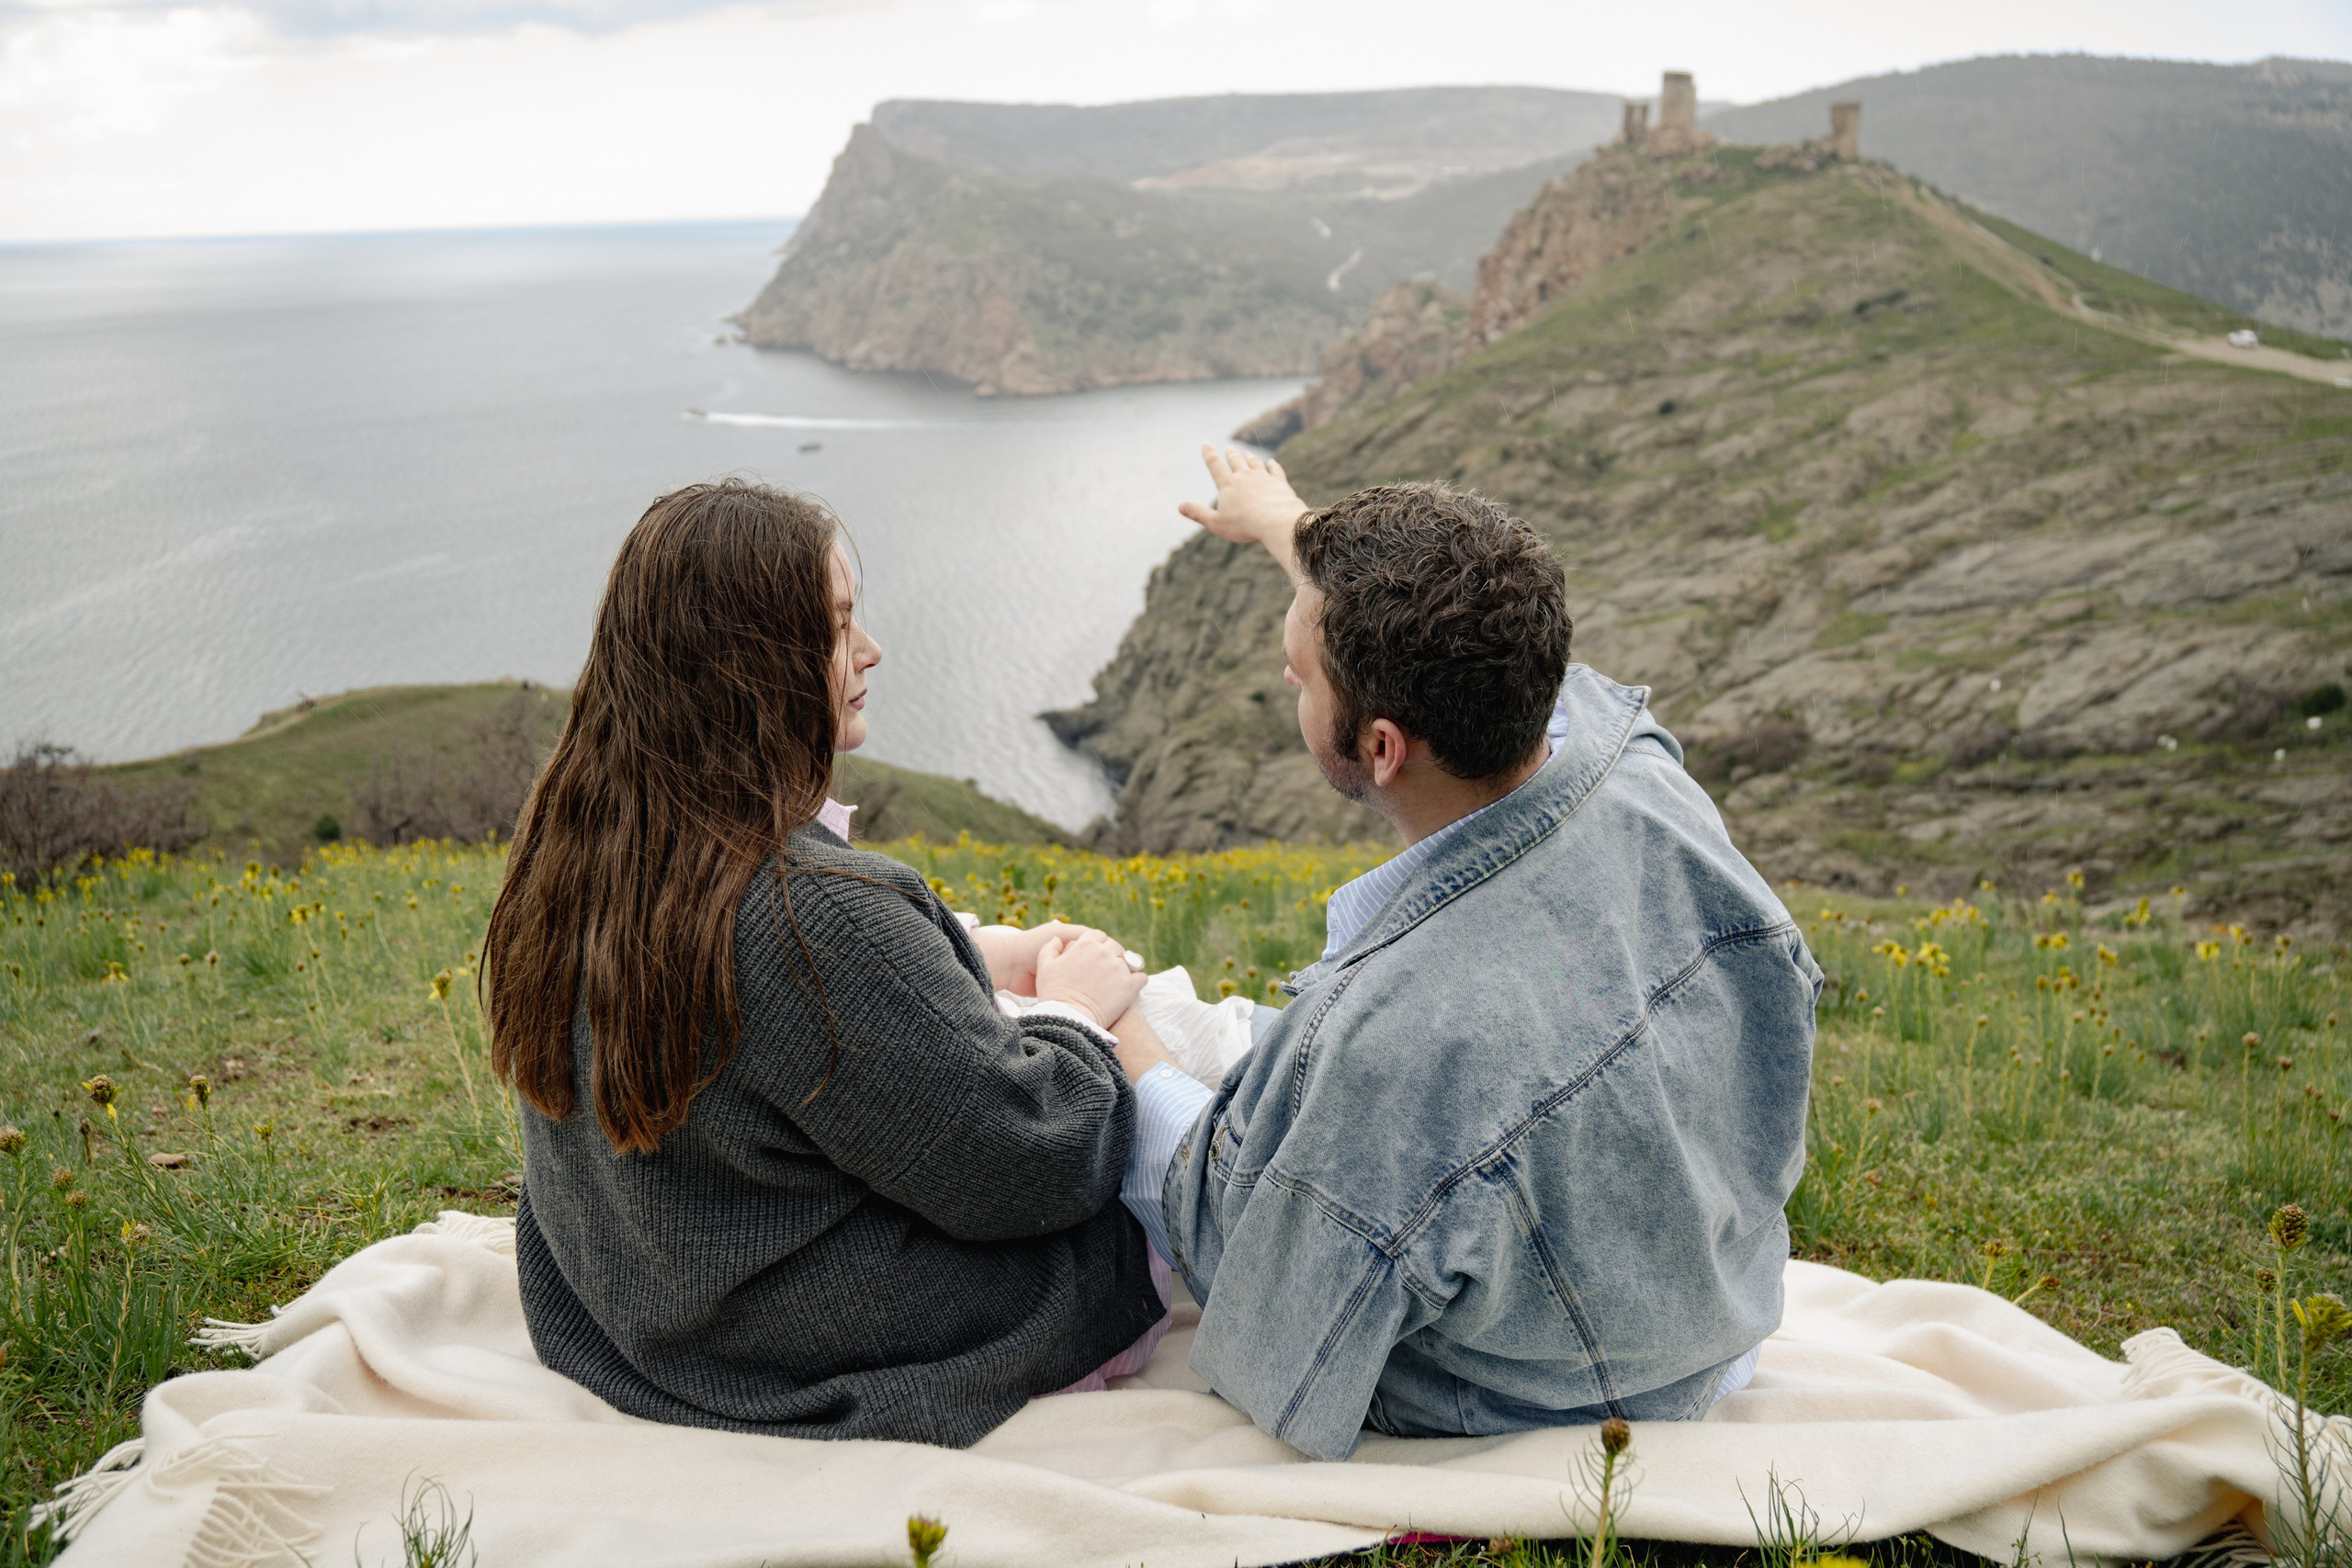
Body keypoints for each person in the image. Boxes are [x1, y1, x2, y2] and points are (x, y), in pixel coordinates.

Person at [1102, 446, 1822, 1462]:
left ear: (1382, 746)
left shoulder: (1394, 1047)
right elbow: (1449, 610)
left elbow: (1262, 1280)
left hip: (1558, 1391)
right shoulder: (1628, 755)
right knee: (1211, 1037)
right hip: (1710, 1303)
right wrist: (1286, 524)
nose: (1287, 681)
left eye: (1298, 675)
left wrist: (1119, 1039)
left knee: (1126, 1047)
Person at [481, 479, 1171, 1447]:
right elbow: (1041, 1164)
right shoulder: (815, 917)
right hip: (803, 1347)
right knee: (1166, 1066)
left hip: (642, 1315)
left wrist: (962, 953)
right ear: (751, 664)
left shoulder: (586, 846)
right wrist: (1076, 1014)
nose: (870, 651)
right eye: (837, 626)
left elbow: (758, 1013)